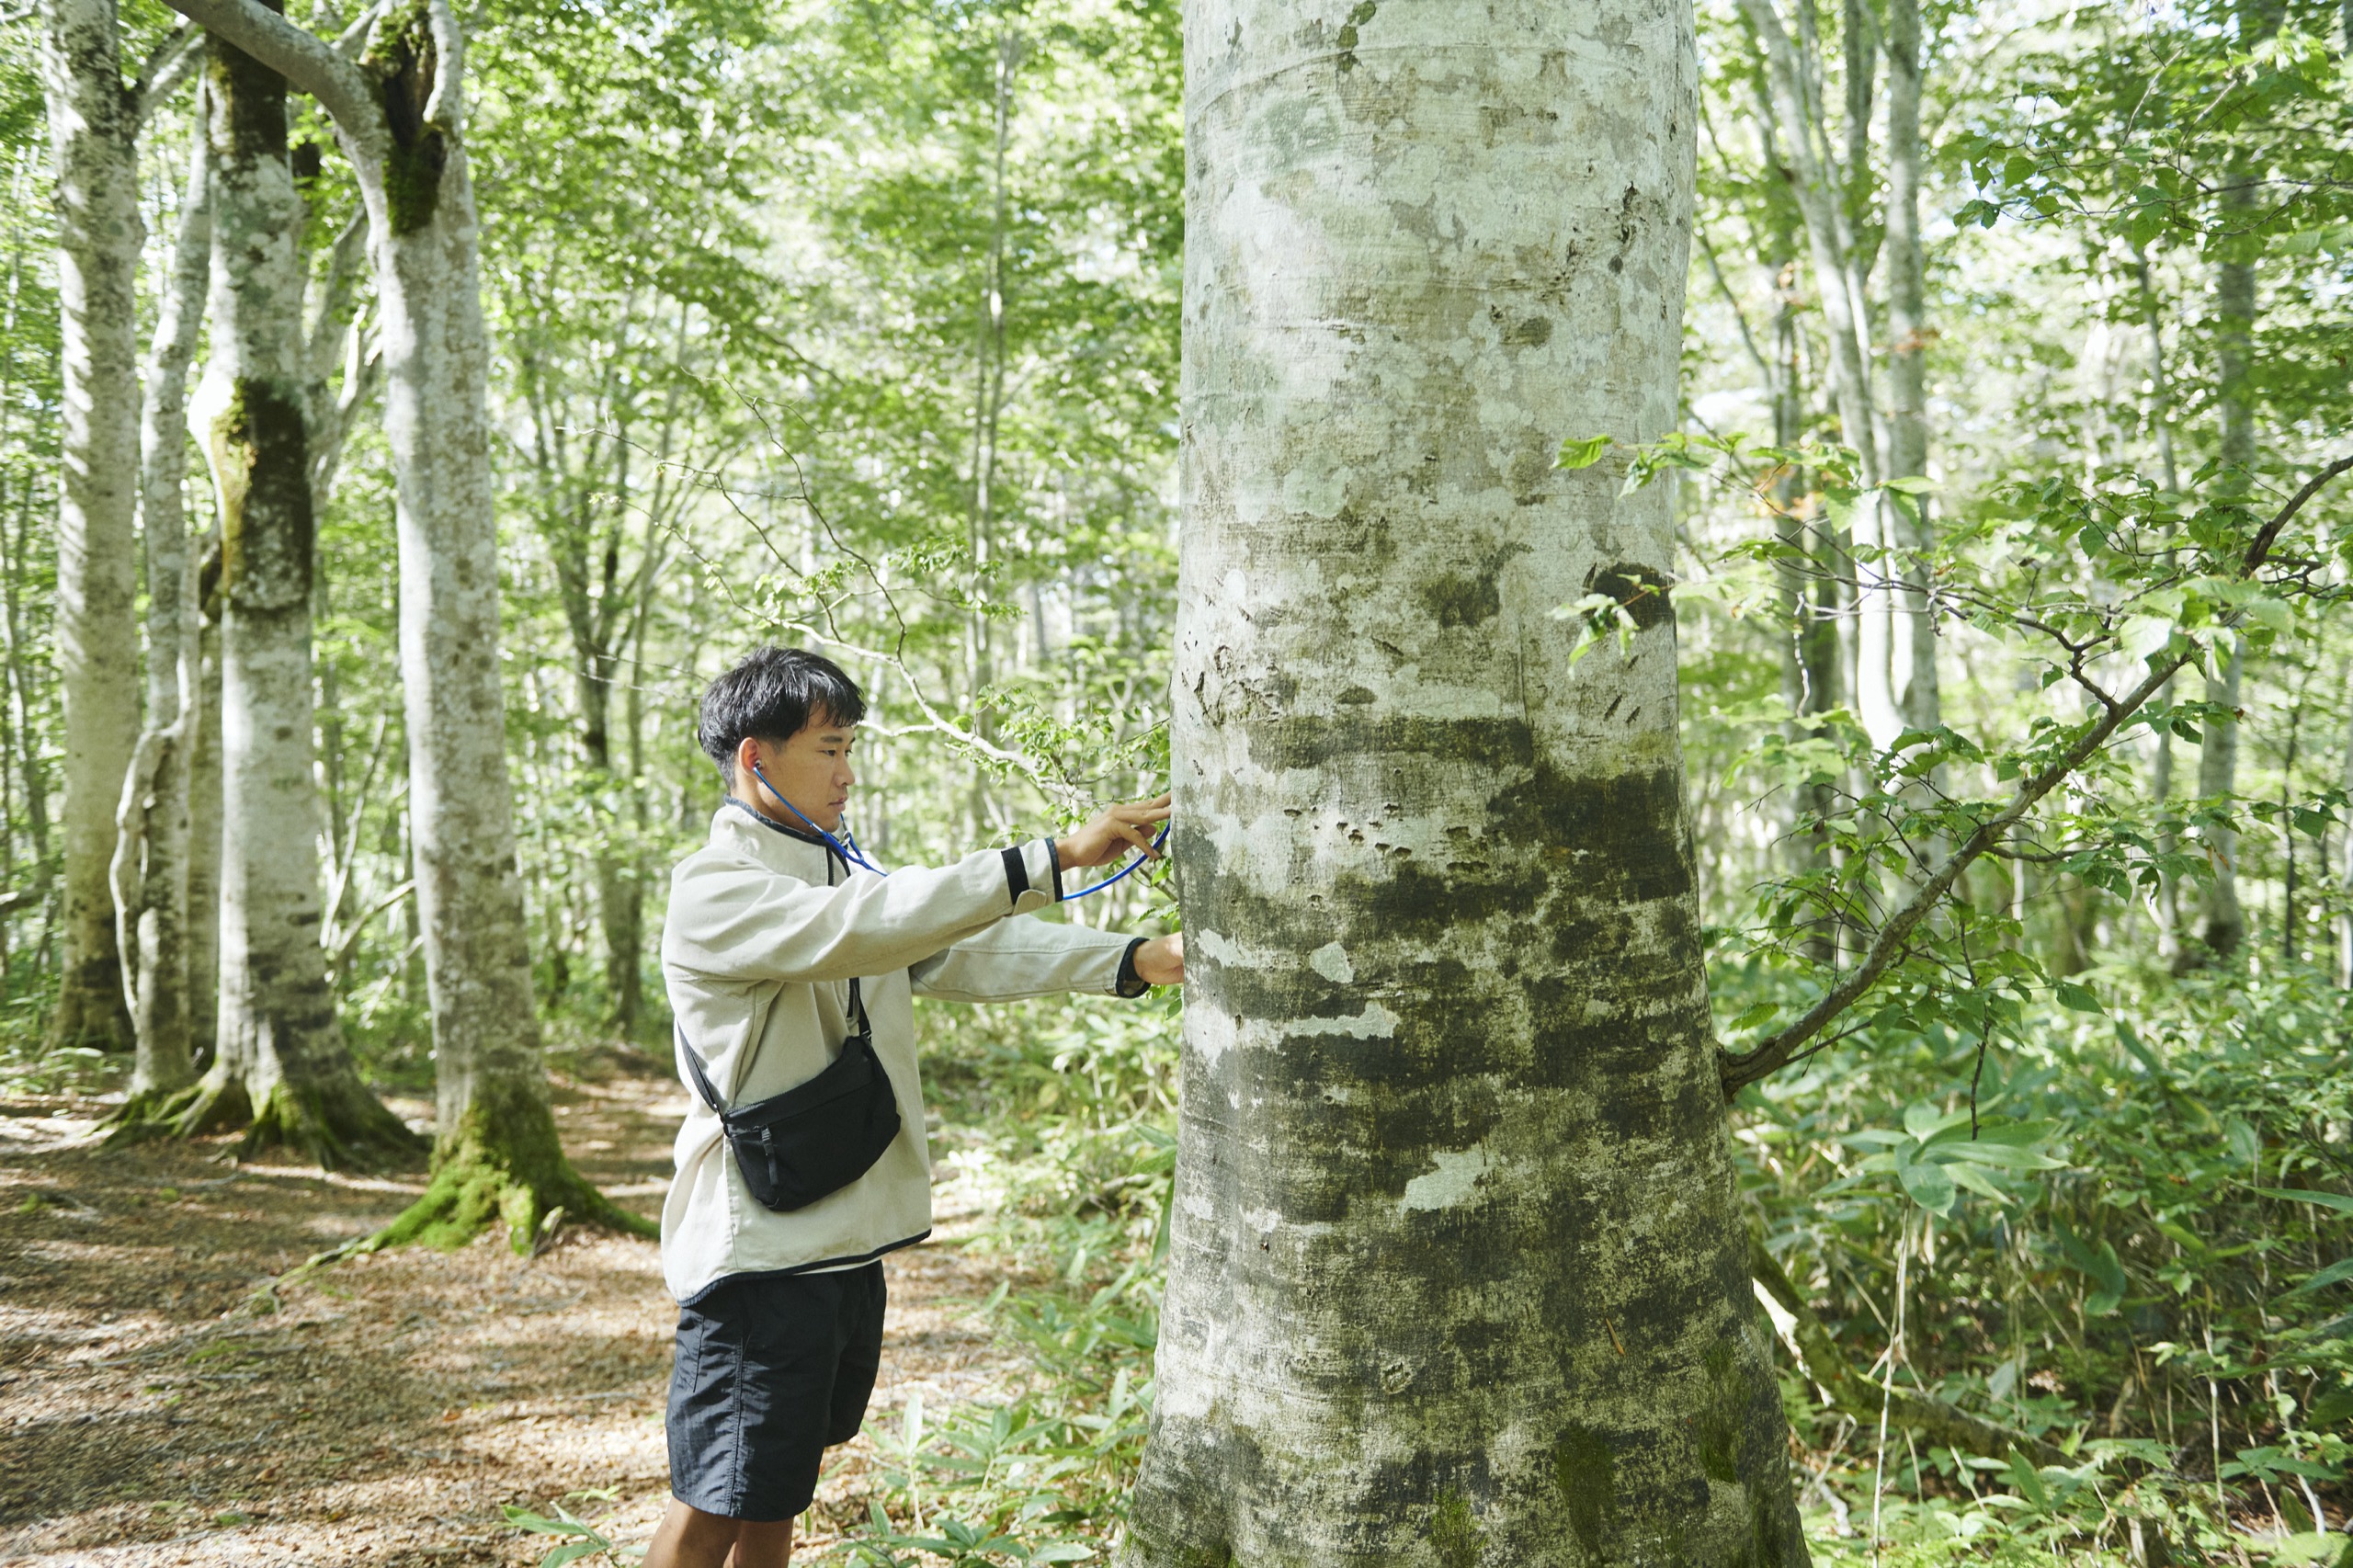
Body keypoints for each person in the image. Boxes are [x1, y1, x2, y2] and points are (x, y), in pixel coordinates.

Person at [645, 647, 1183, 1568]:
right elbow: (874, 925)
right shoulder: (718, 888)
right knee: (714, 1502)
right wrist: (1051, 854)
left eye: (850, 747)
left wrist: (1129, 959)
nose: (847, 774)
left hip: (836, 1241)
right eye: (828, 748)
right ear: (754, 757)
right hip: (760, 1252)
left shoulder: (834, 869)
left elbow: (950, 951)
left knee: (776, 1487)